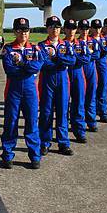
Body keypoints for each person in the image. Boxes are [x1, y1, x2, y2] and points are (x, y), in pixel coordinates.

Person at [0, 17, 42, 169]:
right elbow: (9, 70)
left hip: (30, 91)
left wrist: (23, 64)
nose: (23, 33)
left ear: (29, 31)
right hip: (14, 90)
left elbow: (36, 67)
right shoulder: (8, 49)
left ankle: (34, 156)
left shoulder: (36, 49)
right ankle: (7, 154)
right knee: (11, 122)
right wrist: (27, 68)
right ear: (14, 32)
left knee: (32, 123)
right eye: (19, 30)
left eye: (26, 30)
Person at [38, 15, 76, 156]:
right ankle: (44, 142)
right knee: (46, 111)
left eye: (58, 27)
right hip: (47, 79)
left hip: (62, 80)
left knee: (62, 111)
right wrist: (60, 61)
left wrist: (56, 58)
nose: (55, 29)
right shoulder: (41, 46)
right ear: (47, 29)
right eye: (52, 27)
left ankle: (63, 143)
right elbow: (44, 63)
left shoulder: (65, 45)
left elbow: (72, 60)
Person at [64, 19, 91, 143]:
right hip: (64, 75)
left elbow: (87, 58)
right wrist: (76, 58)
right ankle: (63, 135)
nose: (71, 31)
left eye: (73, 28)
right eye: (68, 28)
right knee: (63, 106)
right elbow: (60, 59)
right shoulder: (61, 44)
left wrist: (72, 59)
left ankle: (79, 131)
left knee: (79, 103)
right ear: (64, 29)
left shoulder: (81, 44)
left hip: (78, 74)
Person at [79, 19, 100, 132]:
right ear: (78, 29)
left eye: (86, 28)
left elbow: (96, 54)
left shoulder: (93, 42)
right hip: (80, 70)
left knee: (91, 95)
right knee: (80, 98)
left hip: (91, 69)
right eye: (82, 28)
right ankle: (80, 123)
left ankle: (91, 121)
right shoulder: (75, 42)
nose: (85, 31)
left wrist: (84, 55)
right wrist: (88, 54)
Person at [91, 19, 107, 123]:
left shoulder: (105, 39)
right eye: (95, 27)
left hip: (103, 65)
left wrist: (101, 49)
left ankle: (103, 112)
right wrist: (101, 49)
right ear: (91, 28)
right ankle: (92, 112)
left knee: (103, 88)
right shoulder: (89, 40)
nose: (97, 29)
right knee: (92, 89)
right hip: (92, 65)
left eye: (99, 27)